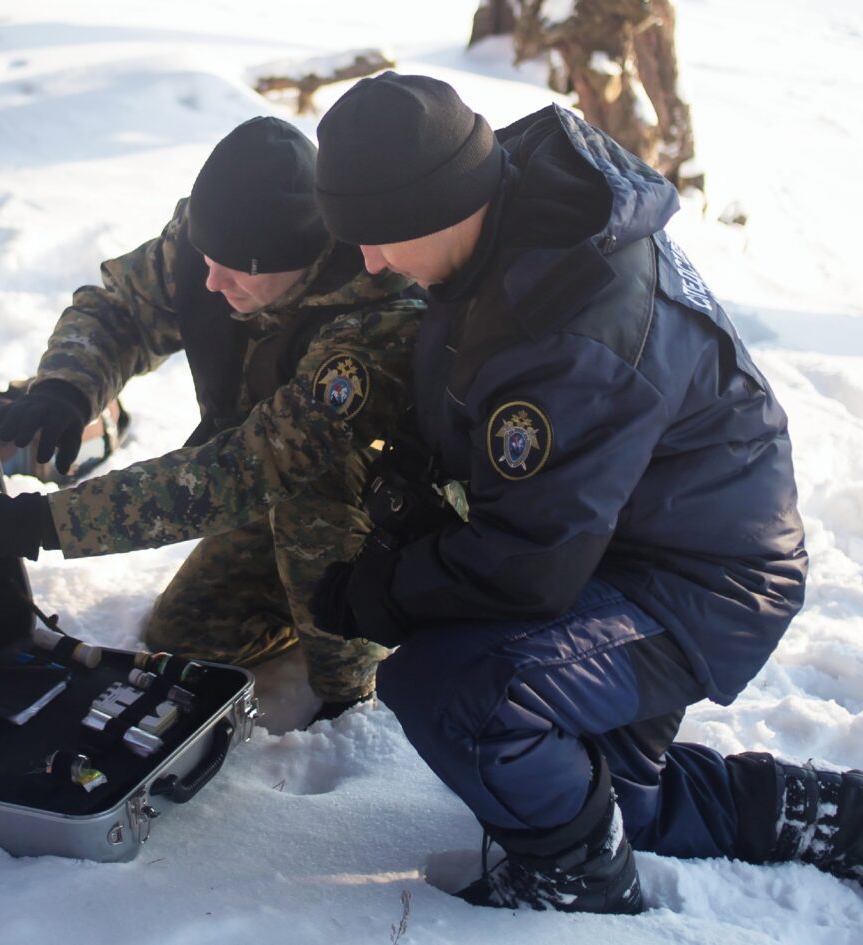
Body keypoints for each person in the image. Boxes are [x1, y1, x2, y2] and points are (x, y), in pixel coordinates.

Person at [307, 72, 859, 913]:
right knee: (609, 797)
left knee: (460, 694)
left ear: (440, 202)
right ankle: (834, 816)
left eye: (380, 238)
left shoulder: (566, 323)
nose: (371, 262)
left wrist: (382, 591)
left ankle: (578, 880)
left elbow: (525, 568)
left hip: (703, 577)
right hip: (641, 531)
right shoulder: (512, 204)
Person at [0, 116, 424, 722]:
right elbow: (120, 308)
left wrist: (30, 524)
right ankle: (304, 594)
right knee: (193, 635)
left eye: (237, 266)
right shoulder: (213, 249)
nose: (212, 281)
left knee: (316, 529)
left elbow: (244, 472)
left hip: (377, 514)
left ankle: (359, 665)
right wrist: (68, 387)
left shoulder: (374, 317)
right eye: (206, 257)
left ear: (299, 252)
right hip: (262, 484)